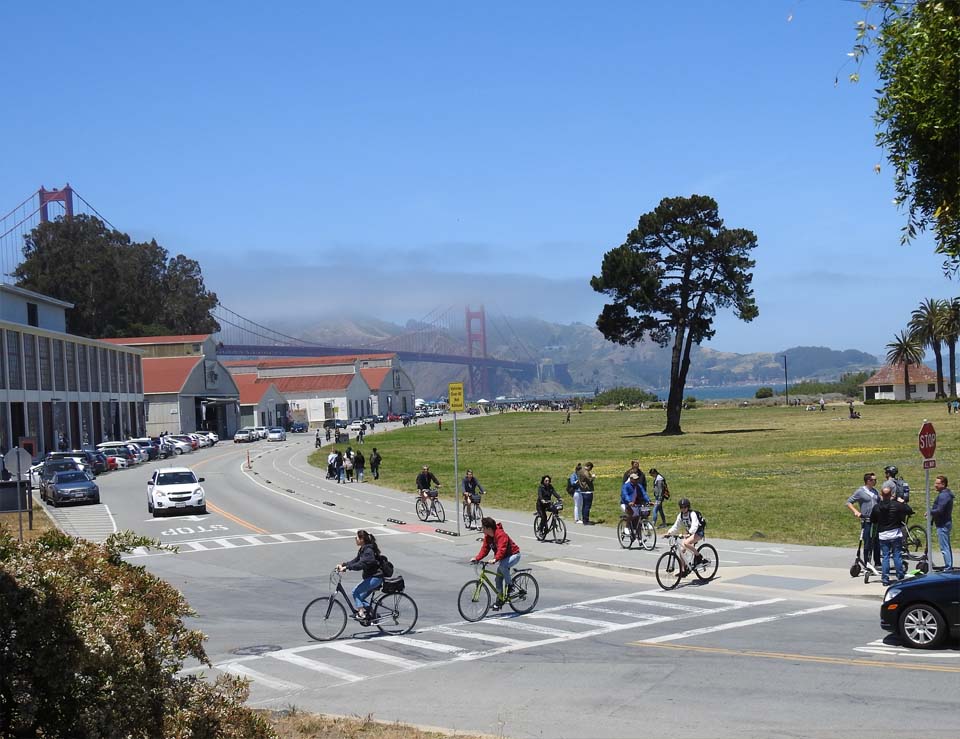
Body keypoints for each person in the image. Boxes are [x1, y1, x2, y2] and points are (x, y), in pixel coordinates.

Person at [470, 516, 521, 611]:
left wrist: (495, 559)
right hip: (503, 558)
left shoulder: (501, 535)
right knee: (498, 579)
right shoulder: (488, 537)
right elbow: (485, 549)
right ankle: (499, 601)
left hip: (514, 555)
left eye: (483, 528)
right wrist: (477, 558)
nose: (482, 529)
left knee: (502, 566)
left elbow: (502, 549)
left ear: (489, 528)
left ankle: (510, 585)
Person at [336, 529, 385, 623]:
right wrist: (344, 565)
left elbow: (360, 565)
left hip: (375, 578)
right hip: (371, 578)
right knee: (360, 598)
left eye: (357, 538)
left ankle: (361, 614)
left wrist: (347, 568)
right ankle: (373, 614)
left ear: (362, 539)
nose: (355, 539)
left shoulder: (368, 551)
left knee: (355, 592)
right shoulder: (363, 549)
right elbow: (356, 561)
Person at [874, 481, 913, 585]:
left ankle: (885, 579)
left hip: (883, 535)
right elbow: (909, 510)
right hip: (895, 533)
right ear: (891, 495)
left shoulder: (877, 507)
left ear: (881, 495)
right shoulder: (896, 505)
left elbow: (873, 519)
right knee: (897, 556)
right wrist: (902, 502)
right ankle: (900, 576)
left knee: (886, 557)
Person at [846, 472, 881, 573]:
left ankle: (877, 563)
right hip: (867, 520)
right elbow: (849, 502)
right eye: (874, 480)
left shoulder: (875, 491)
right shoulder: (860, 492)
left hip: (876, 520)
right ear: (868, 481)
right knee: (867, 543)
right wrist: (856, 512)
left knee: (877, 542)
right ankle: (867, 563)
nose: (876, 481)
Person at [666, 497, 705, 573]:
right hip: (689, 533)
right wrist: (669, 533)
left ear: (688, 507)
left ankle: (698, 556)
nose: (683, 509)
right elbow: (676, 526)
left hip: (698, 532)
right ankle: (683, 570)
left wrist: (690, 533)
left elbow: (695, 525)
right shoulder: (680, 516)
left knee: (686, 543)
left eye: (685, 507)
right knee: (681, 550)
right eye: (681, 507)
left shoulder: (692, 514)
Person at [930, 474, 954, 569]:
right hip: (945, 522)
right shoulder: (946, 494)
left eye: (937, 483)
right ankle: (949, 565)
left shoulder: (944, 496)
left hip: (943, 524)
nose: (935, 485)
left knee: (944, 547)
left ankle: (948, 567)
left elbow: (940, 510)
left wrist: (930, 511)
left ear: (943, 484)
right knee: (946, 546)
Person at [620, 473, 650, 539]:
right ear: (631, 479)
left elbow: (644, 494)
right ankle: (626, 527)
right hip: (625, 503)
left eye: (637, 479)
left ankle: (639, 537)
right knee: (631, 513)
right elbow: (625, 495)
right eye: (635, 479)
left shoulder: (639, 486)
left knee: (640, 516)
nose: (636, 480)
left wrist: (648, 501)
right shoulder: (626, 486)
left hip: (635, 504)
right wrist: (629, 501)